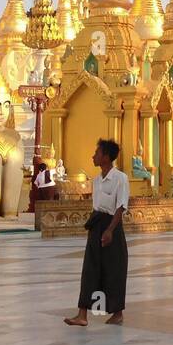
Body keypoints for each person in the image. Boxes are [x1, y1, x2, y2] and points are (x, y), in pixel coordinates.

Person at [64, 138, 130, 327]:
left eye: (97, 153)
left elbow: (121, 206)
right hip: (96, 223)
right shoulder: (96, 180)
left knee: (114, 269)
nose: (93, 156)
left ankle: (117, 313)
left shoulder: (120, 178)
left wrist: (110, 230)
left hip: (112, 226)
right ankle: (82, 314)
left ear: (106, 157)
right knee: (90, 269)